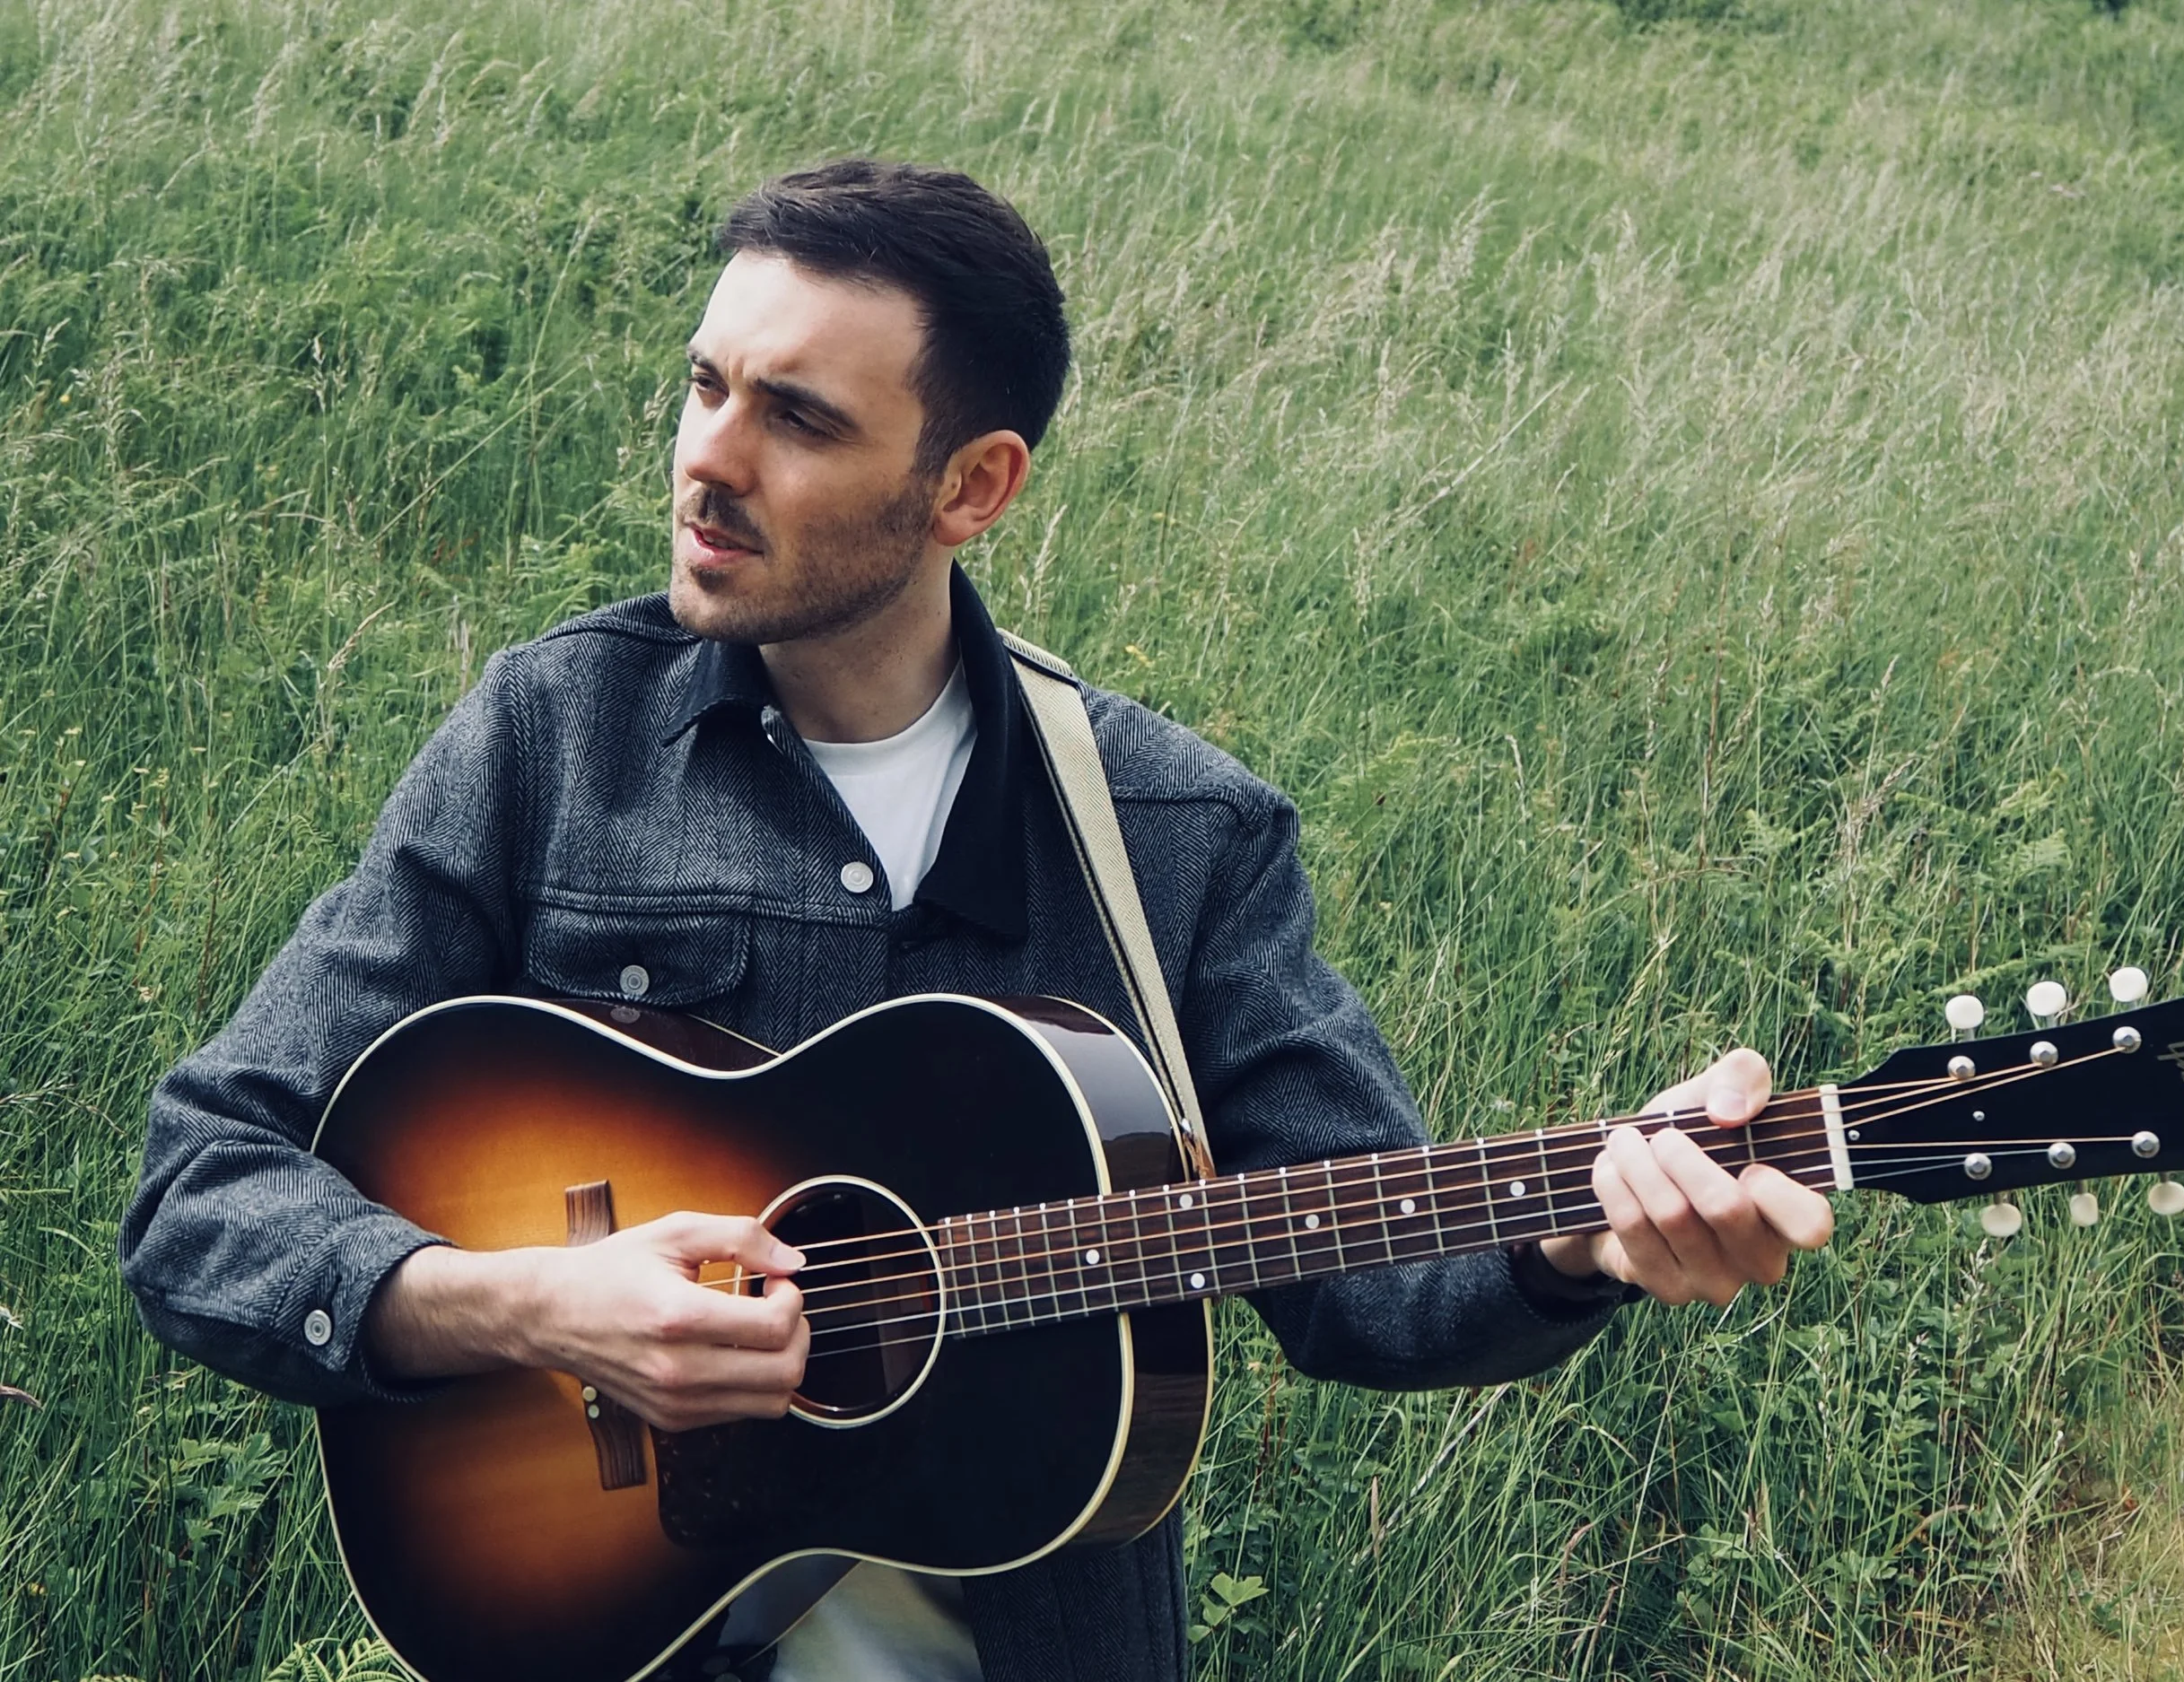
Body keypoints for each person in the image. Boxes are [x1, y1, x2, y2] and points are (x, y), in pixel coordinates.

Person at [120, 159, 1833, 1681]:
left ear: (972, 487)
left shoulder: (1175, 833)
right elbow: (205, 1187)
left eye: (798, 419)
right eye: (706, 385)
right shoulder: (551, 739)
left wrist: (1582, 1235)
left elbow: (1369, 1280)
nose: (708, 457)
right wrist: (529, 1305)